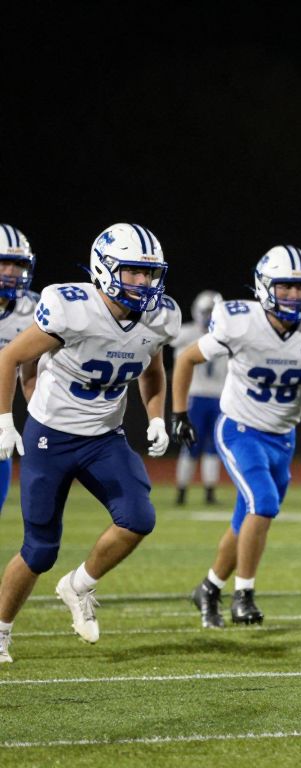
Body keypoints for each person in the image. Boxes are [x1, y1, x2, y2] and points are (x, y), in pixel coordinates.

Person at [0, 223, 178, 663]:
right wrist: (4, 419)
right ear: (105, 268)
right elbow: (10, 357)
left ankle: (79, 585)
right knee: (39, 550)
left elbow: (154, 370)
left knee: (138, 517)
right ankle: (0, 630)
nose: (144, 282)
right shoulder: (72, 308)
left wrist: (157, 416)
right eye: (134, 272)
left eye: (149, 273)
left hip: (104, 437)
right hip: (51, 437)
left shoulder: (159, 317)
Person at [172, 245, 301, 629]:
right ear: (265, 286)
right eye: (285, 287)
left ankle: (209, 587)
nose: (295, 296)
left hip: (283, 438)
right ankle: (244, 594)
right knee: (264, 504)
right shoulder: (241, 322)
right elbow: (186, 358)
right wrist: (180, 412)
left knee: (245, 522)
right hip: (239, 429)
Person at [170, 290, 226, 506]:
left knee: (214, 447)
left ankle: (209, 492)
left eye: (213, 312)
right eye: (206, 311)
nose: (210, 316)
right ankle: (182, 491)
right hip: (195, 397)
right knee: (191, 445)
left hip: (219, 398)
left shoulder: (227, 334)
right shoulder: (185, 333)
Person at [0, 225, 41, 517]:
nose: (12, 271)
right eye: (4, 262)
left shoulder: (35, 308)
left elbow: (31, 376)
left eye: (18, 264)